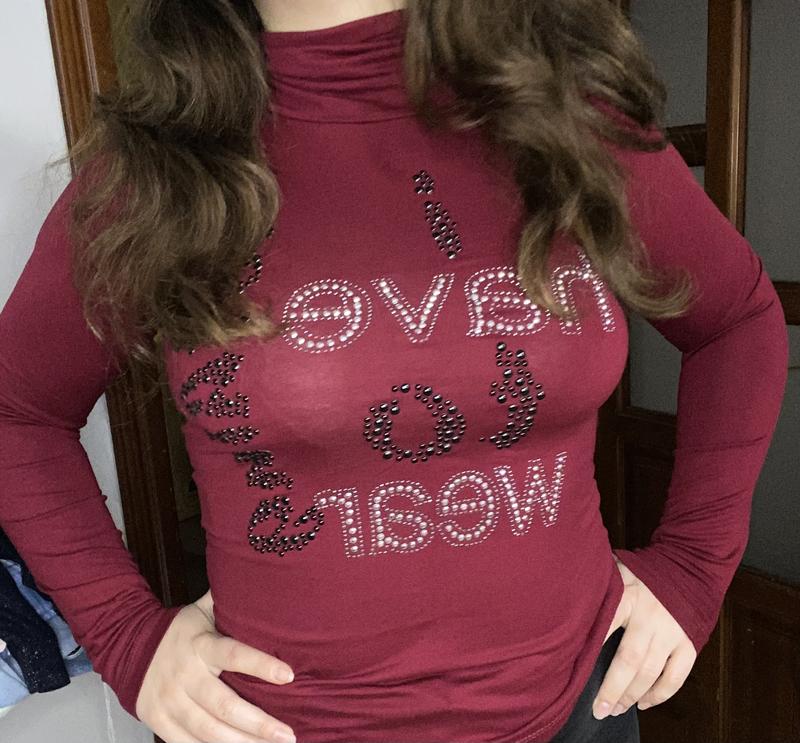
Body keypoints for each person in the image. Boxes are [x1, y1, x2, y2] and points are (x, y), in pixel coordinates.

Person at [0, 1, 788, 742]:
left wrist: (693, 567)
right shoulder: (155, 174)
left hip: (581, 708)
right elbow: (17, 411)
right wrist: (127, 637)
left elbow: (735, 321)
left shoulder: (568, 118)